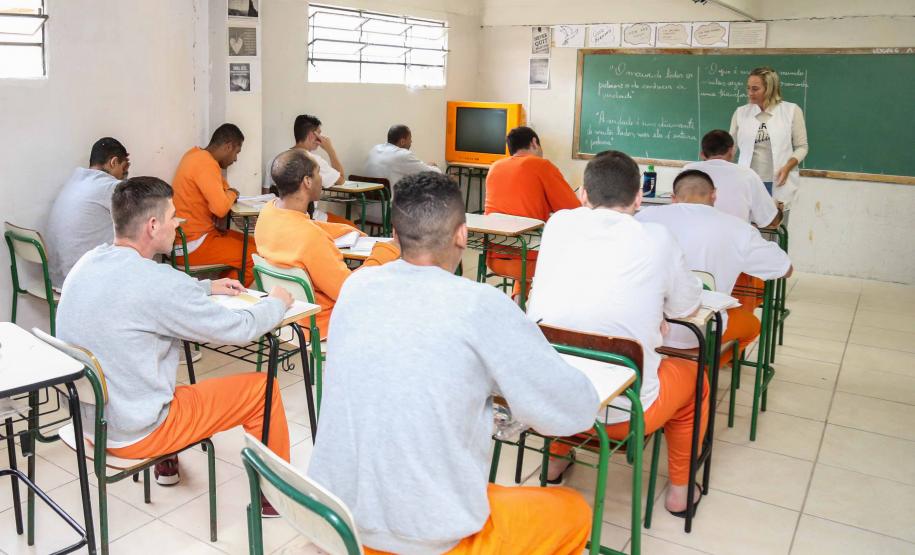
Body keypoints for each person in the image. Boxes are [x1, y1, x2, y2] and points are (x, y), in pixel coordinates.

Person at [308, 171, 599, 554]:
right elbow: (570, 413)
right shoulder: (480, 304)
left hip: (336, 520)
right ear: (462, 235)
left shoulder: (358, 287)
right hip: (423, 538)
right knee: (574, 511)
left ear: (394, 236)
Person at [56, 176, 293, 515]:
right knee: (261, 390)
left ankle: (166, 465)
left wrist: (207, 287)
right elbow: (241, 328)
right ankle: (275, 498)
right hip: (135, 432)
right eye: (173, 216)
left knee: (157, 367)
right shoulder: (156, 282)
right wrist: (278, 302)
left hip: (92, 423)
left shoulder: (89, 262)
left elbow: (152, 293)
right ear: (152, 226)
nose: (178, 222)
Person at [526, 150, 707, 517]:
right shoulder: (659, 238)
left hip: (546, 398)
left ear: (582, 195)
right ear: (639, 198)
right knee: (695, 382)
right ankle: (680, 492)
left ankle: (555, 464)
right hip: (624, 414)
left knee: (567, 357)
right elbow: (686, 309)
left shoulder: (557, 224)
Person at [636, 169, 792, 358]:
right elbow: (785, 268)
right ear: (714, 195)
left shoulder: (646, 217)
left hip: (644, 326)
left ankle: (692, 372)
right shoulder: (737, 228)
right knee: (752, 325)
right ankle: (705, 372)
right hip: (701, 332)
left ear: (673, 197)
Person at [255, 149, 400, 338]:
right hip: (318, 320)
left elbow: (305, 225)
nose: (321, 180)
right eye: (318, 174)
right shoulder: (311, 237)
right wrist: (385, 251)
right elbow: (348, 290)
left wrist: (348, 231)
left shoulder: (268, 212)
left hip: (285, 313)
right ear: (307, 181)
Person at [483, 126, 581, 298]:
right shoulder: (541, 166)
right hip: (529, 263)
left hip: (493, 257)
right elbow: (573, 209)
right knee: (549, 243)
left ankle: (519, 297)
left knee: (524, 238)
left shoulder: (495, 167)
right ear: (534, 142)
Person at [171, 123, 255, 285]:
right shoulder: (206, 163)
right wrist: (231, 194)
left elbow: (225, 188)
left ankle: (222, 287)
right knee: (254, 256)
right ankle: (225, 299)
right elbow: (221, 207)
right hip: (192, 244)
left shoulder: (194, 155)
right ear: (228, 147)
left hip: (196, 236)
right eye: (236, 152)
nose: (236, 159)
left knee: (253, 244)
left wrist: (228, 192)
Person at [45, 138, 130, 287]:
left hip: (55, 277)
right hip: (79, 282)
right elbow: (142, 215)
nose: (123, 176)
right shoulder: (109, 186)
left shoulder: (75, 181)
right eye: (123, 169)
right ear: (113, 162)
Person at [730, 66, 809, 207]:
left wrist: (787, 167)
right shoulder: (741, 113)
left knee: (775, 226)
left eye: (755, 89)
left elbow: (802, 147)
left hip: (779, 181)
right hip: (748, 181)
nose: (749, 93)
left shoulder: (791, 111)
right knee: (748, 227)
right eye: (748, 88)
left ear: (770, 89)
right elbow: (731, 148)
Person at [265, 114, 355, 225]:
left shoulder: (275, 159)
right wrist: (330, 149)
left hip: (279, 218)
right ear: (312, 136)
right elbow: (341, 179)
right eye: (319, 134)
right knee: (350, 226)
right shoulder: (313, 160)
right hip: (308, 218)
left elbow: (265, 193)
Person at [684, 130, 780, 228]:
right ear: (731, 151)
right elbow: (771, 221)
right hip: (734, 240)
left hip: (694, 237)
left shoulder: (687, 171)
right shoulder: (747, 175)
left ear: (702, 154)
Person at [364, 124, 441, 186]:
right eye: (410, 139)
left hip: (368, 201)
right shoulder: (403, 155)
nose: (411, 142)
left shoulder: (374, 149)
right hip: (391, 202)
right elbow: (431, 173)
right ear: (402, 141)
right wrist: (433, 166)